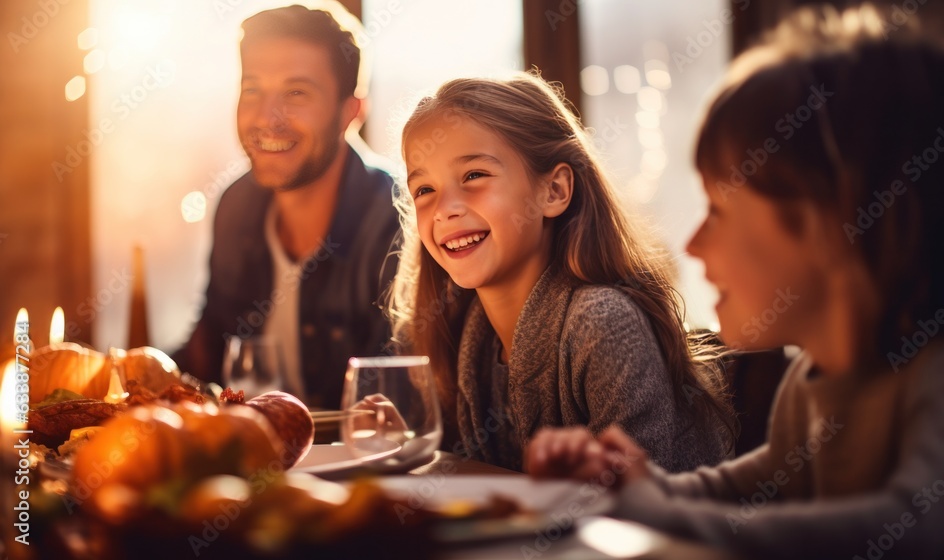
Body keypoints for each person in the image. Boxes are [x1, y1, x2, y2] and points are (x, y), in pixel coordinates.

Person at [524, 5, 944, 558]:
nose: (694, 243)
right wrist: (628, 486)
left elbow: (909, 529)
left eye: (719, 210)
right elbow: (742, 488)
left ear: (830, 224)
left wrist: (659, 512)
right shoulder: (808, 381)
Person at [388, 73, 735, 472]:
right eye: (424, 190)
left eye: (474, 176)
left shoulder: (603, 323)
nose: (445, 207)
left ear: (553, 191)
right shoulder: (466, 332)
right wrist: (405, 444)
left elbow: (634, 511)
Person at [173, 4, 399, 410]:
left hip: (356, 469)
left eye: (296, 93)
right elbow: (204, 357)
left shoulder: (399, 220)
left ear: (352, 111)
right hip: (245, 464)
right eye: (253, 90)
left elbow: (400, 405)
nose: (267, 118)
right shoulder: (237, 206)